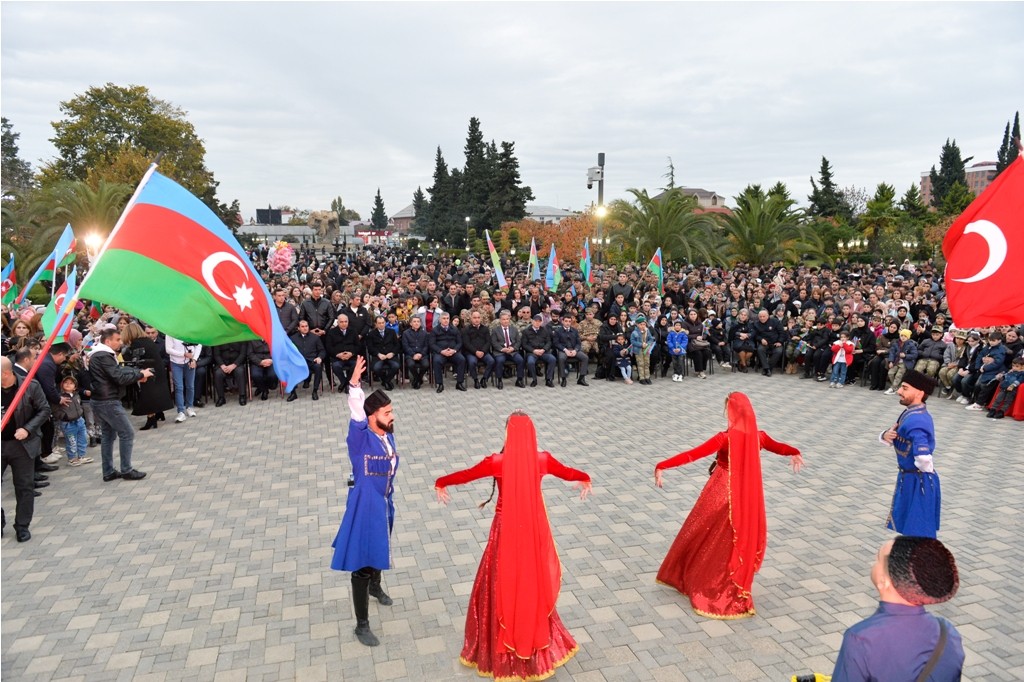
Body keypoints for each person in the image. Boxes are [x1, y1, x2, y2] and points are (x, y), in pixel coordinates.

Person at [434, 412, 592, 682]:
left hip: (504, 532)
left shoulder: (497, 462)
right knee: (530, 583)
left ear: (507, 433)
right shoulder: (542, 460)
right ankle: (533, 642)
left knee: (498, 583)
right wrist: (585, 477)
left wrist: (441, 482)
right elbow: (567, 472)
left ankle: (502, 647)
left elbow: (466, 475)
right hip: (531, 532)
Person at [654, 392, 803, 618]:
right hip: (747, 493)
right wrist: (794, 452)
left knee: (704, 532)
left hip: (722, 489)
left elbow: (692, 455)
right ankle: (730, 580)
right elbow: (779, 447)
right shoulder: (759, 437)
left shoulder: (724, 438)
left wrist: (662, 465)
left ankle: (705, 578)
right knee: (732, 538)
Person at [329, 356, 399, 647]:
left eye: (391, 410)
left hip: (383, 503)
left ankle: (376, 587)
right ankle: (361, 624)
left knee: (380, 548)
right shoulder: (361, 438)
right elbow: (357, 414)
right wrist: (354, 385)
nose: (392, 415)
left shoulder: (386, 435)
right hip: (364, 507)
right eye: (387, 412)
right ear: (372, 417)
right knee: (362, 562)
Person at [831, 536, 963, 682]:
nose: (873, 564)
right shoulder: (948, 633)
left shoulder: (860, 639)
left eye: (878, 559)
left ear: (883, 581)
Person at [880, 369, 941, 538]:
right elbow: (896, 433)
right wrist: (885, 435)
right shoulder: (911, 412)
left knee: (918, 532)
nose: (899, 391)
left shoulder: (917, 420)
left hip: (918, 481)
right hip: (911, 478)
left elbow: (923, 456)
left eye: (905, 388)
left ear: (919, 393)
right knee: (909, 528)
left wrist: (922, 472)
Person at [89, 327, 153, 482]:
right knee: (127, 433)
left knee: (108, 436)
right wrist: (140, 374)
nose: (120, 342)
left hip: (102, 400)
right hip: (108, 401)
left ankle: (109, 471)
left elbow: (117, 372)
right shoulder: (103, 355)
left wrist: (137, 374)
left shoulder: (100, 355)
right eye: (117, 340)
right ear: (107, 341)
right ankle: (126, 470)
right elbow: (118, 376)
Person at [1, 357, 51, 542]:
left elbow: (44, 410)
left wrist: (27, 428)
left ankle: (22, 526)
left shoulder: (30, 386)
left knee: (24, 487)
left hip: (22, 446)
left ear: (6, 373)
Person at [122, 322, 173, 430]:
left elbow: (132, 358)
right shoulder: (147, 341)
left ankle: (151, 419)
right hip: (158, 369)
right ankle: (159, 413)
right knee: (156, 393)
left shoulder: (136, 343)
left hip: (148, 371)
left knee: (147, 395)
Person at [52, 374, 93, 466]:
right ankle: (72, 458)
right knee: (71, 441)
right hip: (68, 423)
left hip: (79, 420)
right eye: (66, 383)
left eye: (71, 383)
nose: (68, 384)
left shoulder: (76, 396)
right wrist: (63, 416)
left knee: (83, 439)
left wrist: (81, 412)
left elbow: (79, 405)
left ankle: (81, 456)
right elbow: (55, 409)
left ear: (75, 387)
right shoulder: (60, 397)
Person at [166, 335, 201, 422]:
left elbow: (199, 344)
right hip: (176, 362)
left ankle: (189, 407)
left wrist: (194, 359)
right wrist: (183, 354)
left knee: (190, 386)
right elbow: (168, 349)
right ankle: (181, 411)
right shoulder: (170, 331)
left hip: (190, 361)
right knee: (179, 387)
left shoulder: (190, 329)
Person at [429, 311, 466, 393]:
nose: (446, 320)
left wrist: (454, 350)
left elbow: (460, 342)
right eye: (444, 318)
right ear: (440, 320)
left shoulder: (455, 329)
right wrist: (441, 351)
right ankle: (440, 384)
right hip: (441, 353)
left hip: (453, 352)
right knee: (436, 361)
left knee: (462, 359)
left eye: (447, 318)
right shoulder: (435, 330)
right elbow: (432, 344)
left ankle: (459, 383)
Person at [289, 320, 326, 401]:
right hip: (298, 363)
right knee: (289, 368)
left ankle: (315, 391)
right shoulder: (293, 338)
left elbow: (322, 350)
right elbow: (289, 352)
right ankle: (293, 393)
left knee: (318, 367)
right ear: (298, 328)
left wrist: (319, 357)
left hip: (311, 361)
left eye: (306, 326)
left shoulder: (315, 337)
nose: (305, 328)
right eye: (302, 326)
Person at [551, 310, 589, 387]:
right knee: (561, 358)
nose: (568, 323)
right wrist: (565, 350)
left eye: (569, 321)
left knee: (585, 357)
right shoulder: (558, 331)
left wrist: (575, 350)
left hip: (574, 349)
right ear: (562, 321)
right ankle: (563, 378)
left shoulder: (574, 331)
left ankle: (581, 378)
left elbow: (578, 343)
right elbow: (556, 343)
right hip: (563, 350)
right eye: (566, 321)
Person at [489, 309, 524, 389]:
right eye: (503, 319)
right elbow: (494, 342)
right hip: (500, 352)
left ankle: (519, 380)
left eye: (507, 319)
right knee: (499, 361)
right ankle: (499, 380)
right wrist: (502, 349)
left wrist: (513, 348)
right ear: (500, 320)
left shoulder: (514, 329)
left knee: (520, 360)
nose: (505, 321)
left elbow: (518, 341)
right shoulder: (495, 330)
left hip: (512, 351)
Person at [212, 341, 249, 406]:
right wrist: (222, 365)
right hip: (223, 365)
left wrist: (234, 365)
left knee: (240, 371)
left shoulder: (240, 336)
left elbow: (242, 354)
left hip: (236, 364)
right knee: (218, 373)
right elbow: (216, 355)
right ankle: (221, 398)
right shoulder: (219, 337)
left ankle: (242, 396)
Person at [988, 355, 1024, 419]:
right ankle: (993, 410)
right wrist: (1001, 376)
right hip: (1004, 387)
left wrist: (1012, 386)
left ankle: (1001, 412)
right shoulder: (1011, 371)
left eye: (1017, 366)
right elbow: (1005, 376)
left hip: (1012, 389)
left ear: (1022, 367)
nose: (1014, 368)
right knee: (998, 399)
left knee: (1007, 401)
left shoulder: (1021, 374)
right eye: (1013, 366)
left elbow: (1019, 381)